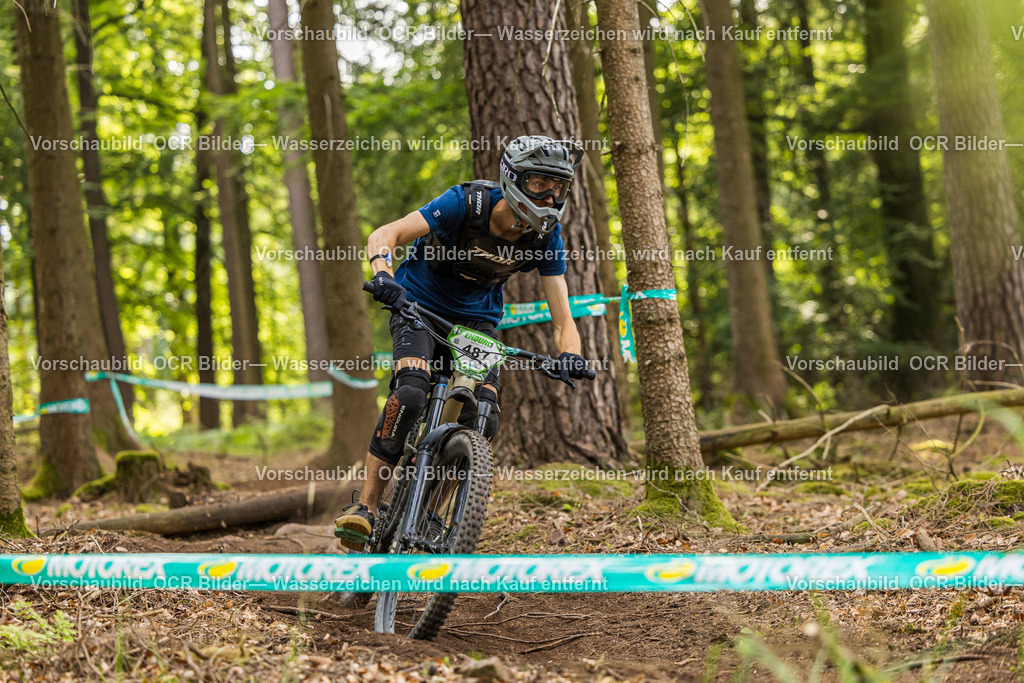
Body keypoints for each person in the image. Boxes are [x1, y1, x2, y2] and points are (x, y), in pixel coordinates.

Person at [334, 135, 593, 551]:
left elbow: (563, 315)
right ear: (513, 179)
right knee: (411, 392)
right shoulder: (467, 203)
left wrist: (571, 355)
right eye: (539, 185)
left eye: (558, 188)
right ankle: (365, 507)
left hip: (477, 322)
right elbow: (388, 232)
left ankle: (429, 514)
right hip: (417, 305)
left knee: (483, 419)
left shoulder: (546, 237)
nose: (549, 198)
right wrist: (383, 273)